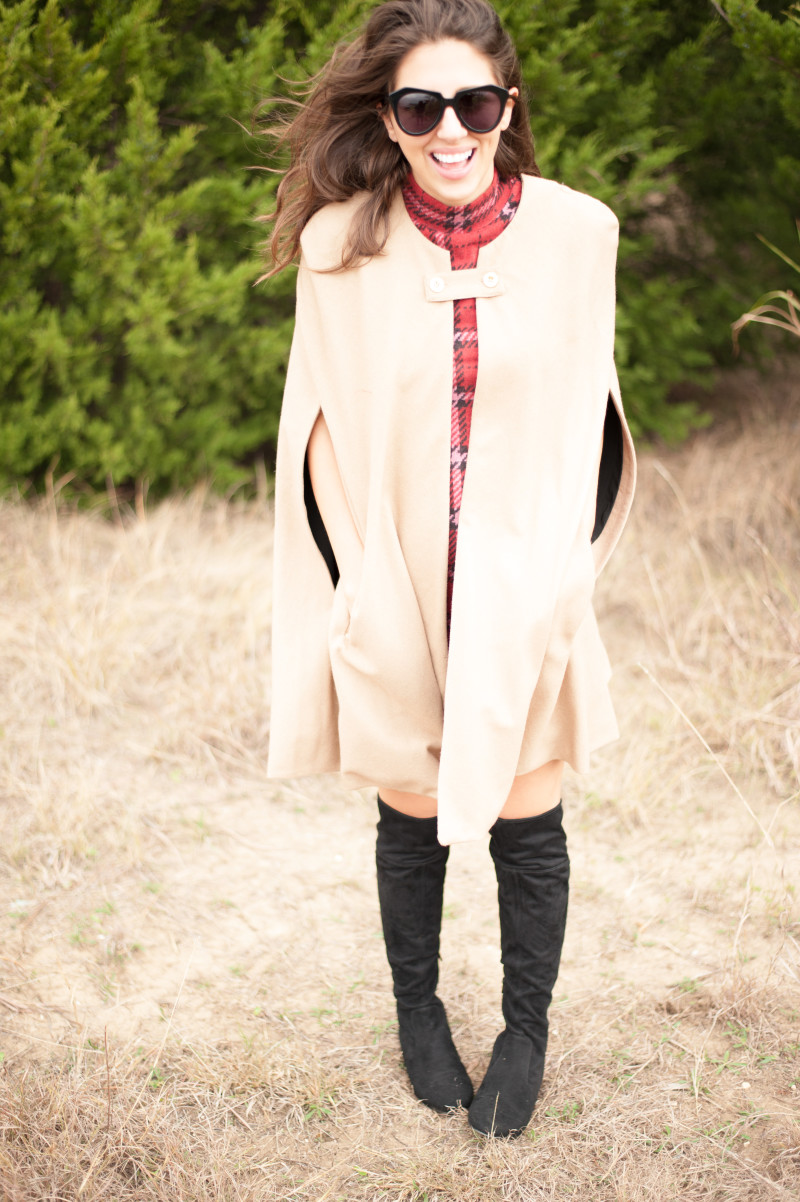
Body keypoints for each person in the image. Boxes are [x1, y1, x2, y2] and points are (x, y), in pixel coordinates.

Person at [261, 0, 635, 1138]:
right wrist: (358, 587)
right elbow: (315, 428)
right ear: (389, 116)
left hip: (523, 577)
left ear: (506, 107)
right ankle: (417, 1014)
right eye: (421, 107)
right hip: (400, 580)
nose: (450, 130)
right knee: (411, 810)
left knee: (529, 814)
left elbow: (592, 416)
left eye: (472, 103)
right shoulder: (340, 245)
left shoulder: (579, 234)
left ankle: (525, 1032)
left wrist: (562, 575)